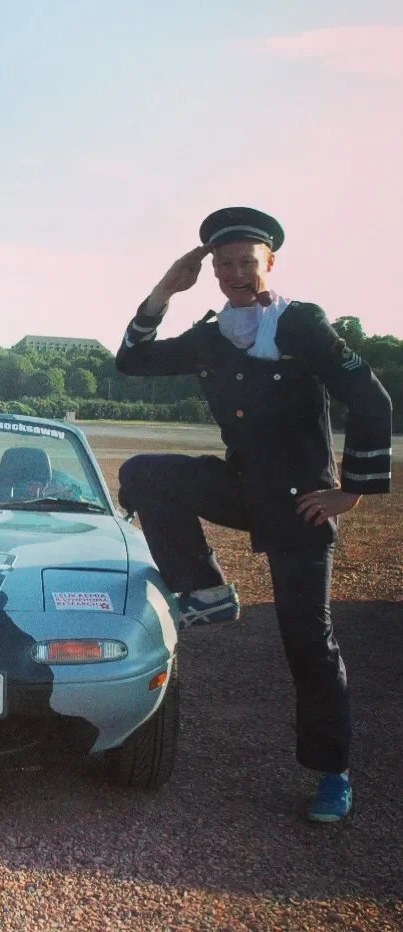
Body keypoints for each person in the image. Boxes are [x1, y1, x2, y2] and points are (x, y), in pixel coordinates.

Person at [115, 206, 392, 823]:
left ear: (270, 262)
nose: (237, 273)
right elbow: (132, 361)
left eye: (248, 261)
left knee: (308, 642)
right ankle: (206, 591)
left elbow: (370, 398)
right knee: (143, 472)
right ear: (210, 271)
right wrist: (164, 290)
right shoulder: (212, 334)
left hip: (301, 507)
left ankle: (331, 772)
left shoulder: (303, 323)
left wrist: (351, 490)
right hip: (242, 486)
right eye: (224, 264)